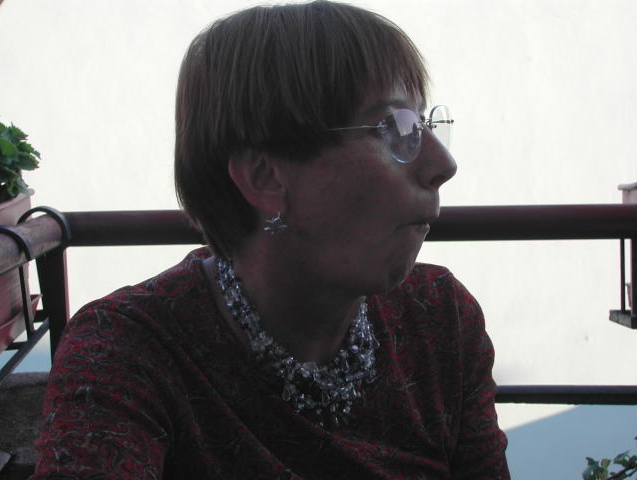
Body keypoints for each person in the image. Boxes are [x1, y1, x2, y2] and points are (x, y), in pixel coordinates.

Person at [32, 1, 509, 478]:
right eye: (395, 127)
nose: (443, 164)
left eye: (423, 124)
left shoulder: (438, 317)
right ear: (265, 177)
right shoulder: (127, 353)